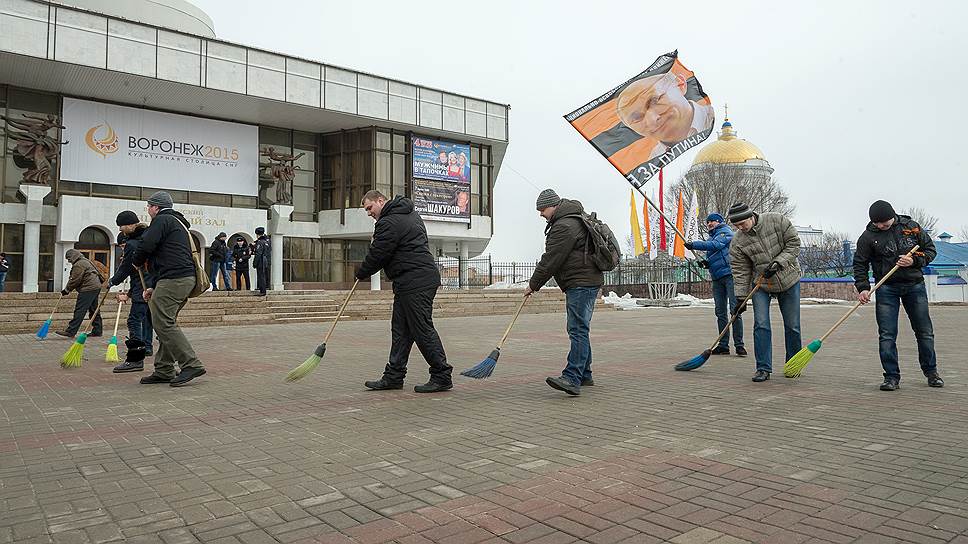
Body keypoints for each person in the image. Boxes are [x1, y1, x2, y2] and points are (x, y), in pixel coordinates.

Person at [355, 190, 452, 393]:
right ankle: (393, 376)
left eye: (370, 208)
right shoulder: (411, 215)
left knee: (421, 328)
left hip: (415, 281)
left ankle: (442, 375)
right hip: (412, 279)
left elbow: (378, 254)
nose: (369, 213)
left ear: (380, 201)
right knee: (401, 330)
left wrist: (361, 272)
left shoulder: (389, 222)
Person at [853, 200, 941, 391]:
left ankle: (931, 372)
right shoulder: (868, 236)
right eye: (877, 223)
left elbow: (930, 250)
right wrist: (863, 288)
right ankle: (891, 377)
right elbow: (860, 264)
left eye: (884, 222)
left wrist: (914, 260)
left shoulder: (911, 227)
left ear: (892, 216)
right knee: (887, 334)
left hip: (914, 285)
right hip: (886, 288)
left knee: (924, 331)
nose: (881, 226)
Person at [526, 189, 604, 396]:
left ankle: (572, 377)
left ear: (553, 206)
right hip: (587, 281)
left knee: (577, 330)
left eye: (542, 209)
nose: (541, 213)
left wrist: (533, 284)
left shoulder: (564, 226)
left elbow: (551, 259)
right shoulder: (575, 219)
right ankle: (585, 373)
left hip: (580, 282)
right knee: (581, 329)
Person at [131, 191, 206, 387]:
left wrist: (136, 260)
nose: (148, 210)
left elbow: (147, 244)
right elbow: (168, 257)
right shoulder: (177, 223)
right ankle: (164, 369)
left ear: (156, 207)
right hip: (178, 278)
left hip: (175, 279)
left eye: (149, 207)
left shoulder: (162, 219)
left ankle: (191, 364)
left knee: (163, 322)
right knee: (166, 322)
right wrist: (154, 286)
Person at [728, 202, 802, 382]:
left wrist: (778, 262)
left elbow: (794, 243)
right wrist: (741, 298)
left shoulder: (776, 220)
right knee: (761, 324)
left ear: (751, 216)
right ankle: (763, 368)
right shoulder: (738, 241)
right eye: (736, 226)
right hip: (761, 283)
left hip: (788, 278)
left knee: (792, 325)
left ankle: (793, 364)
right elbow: (741, 271)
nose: (740, 228)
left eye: (742, 224)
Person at [616, 72, 714, 161]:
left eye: (655, 100)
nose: (652, 120)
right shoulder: (654, 163)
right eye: (637, 118)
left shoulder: (719, 117)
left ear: (680, 85)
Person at [685, 213, 746, 356]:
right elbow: (715, 253)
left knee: (734, 311)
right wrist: (706, 263)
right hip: (717, 278)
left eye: (712, 221)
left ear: (719, 222)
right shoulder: (711, 237)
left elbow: (716, 245)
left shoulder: (725, 232)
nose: (710, 224)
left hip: (730, 275)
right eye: (708, 222)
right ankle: (723, 345)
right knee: (720, 312)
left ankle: (739, 345)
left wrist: (694, 244)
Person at [107, 211, 156, 372]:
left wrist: (112, 282)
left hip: (142, 288)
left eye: (121, 226)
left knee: (134, 321)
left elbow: (126, 268)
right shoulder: (148, 237)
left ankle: (135, 359)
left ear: (129, 225)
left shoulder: (133, 243)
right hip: (154, 286)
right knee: (149, 320)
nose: (121, 230)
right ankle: (148, 348)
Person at [56, 249, 104, 338]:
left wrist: (67, 290)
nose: (68, 261)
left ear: (73, 256)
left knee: (80, 310)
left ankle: (71, 331)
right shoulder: (85, 261)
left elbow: (75, 280)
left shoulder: (79, 264)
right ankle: (97, 330)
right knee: (94, 310)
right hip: (95, 287)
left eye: (69, 259)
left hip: (87, 288)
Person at [253, 227, 271, 296]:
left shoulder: (260, 242)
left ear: (257, 234)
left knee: (261, 276)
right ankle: (263, 290)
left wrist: (254, 263)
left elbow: (258, 253)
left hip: (261, 260)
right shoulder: (266, 242)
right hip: (265, 260)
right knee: (263, 276)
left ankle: (262, 291)